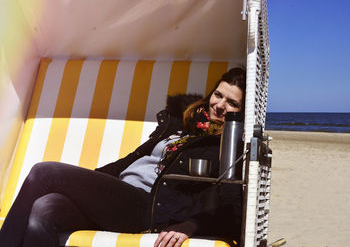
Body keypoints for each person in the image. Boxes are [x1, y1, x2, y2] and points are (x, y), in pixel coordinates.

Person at [0, 67, 246, 247]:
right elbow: (130, 160)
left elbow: (231, 207)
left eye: (232, 103)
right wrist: (86, 184)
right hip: (118, 196)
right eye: (218, 95)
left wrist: (191, 225)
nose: (220, 105)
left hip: (145, 206)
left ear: (241, 112)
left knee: (44, 173)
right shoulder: (179, 125)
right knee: (45, 208)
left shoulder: (226, 146)